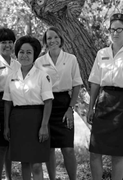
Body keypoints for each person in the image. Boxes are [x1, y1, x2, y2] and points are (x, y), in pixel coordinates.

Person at [86, 13, 123, 180]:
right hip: (104, 101)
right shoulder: (101, 53)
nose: (115, 32)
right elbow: (95, 82)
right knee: (94, 151)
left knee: (117, 154)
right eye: (112, 29)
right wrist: (91, 107)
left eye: (120, 29)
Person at [35, 26, 83, 180]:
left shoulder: (71, 59)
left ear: (61, 39)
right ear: (45, 41)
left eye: (55, 37)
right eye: (49, 38)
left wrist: (70, 108)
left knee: (68, 149)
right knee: (49, 148)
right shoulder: (40, 62)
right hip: (45, 105)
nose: (53, 40)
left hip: (64, 104)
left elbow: (77, 85)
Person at [3, 36, 53, 180]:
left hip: (37, 119)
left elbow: (48, 102)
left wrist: (44, 126)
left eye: (29, 52)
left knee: (36, 164)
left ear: (35, 55)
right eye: (21, 52)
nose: (24, 55)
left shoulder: (42, 76)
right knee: (24, 162)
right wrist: (6, 126)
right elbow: (7, 102)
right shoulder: (11, 76)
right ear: (17, 53)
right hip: (17, 120)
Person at [0, 27, 20, 180]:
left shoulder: (18, 64)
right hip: (0, 105)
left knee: (11, 145)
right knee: (2, 146)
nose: (7, 45)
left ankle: (9, 177)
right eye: (3, 42)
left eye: (10, 42)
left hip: (16, 105)